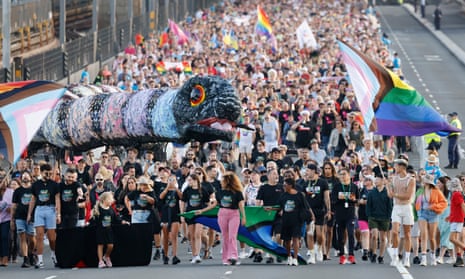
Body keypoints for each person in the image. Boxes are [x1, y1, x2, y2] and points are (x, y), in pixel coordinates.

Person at [204, 172, 245, 266]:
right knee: (225, 237)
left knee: (232, 236)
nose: (221, 182)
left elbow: (241, 205)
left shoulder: (237, 192)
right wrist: (203, 211)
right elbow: (215, 204)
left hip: (234, 214)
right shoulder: (219, 192)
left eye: (223, 180)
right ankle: (226, 258)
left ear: (228, 181)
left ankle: (233, 256)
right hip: (222, 214)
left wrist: (243, 217)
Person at [27, 163, 61, 268]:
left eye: (50, 173)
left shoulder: (54, 184)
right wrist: (29, 214)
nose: (48, 175)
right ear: (41, 172)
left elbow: (57, 198)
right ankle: (40, 260)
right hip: (39, 209)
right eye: (46, 173)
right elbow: (33, 199)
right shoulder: (36, 184)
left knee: (51, 237)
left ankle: (53, 254)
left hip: (50, 209)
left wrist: (58, 213)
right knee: (39, 236)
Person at [387, 159, 416, 268]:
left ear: (402, 167)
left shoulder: (411, 180)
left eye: (396, 166)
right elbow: (390, 195)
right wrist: (388, 186)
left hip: (407, 207)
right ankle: (395, 256)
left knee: (407, 234)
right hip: (397, 207)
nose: (394, 168)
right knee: (394, 232)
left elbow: (408, 196)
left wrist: (395, 194)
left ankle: (407, 258)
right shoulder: (394, 179)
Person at [299, 163, 330, 264]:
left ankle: (319, 248)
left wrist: (328, 210)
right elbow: (302, 198)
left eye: (308, 170)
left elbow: (326, 197)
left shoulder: (323, 182)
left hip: (320, 211)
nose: (306, 173)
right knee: (310, 233)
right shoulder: (305, 183)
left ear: (313, 171)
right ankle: (312, 255)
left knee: (320, 234)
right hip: (309, 211)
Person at [414, 174, 447, 266]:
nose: (423, 182)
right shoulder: (421, 190)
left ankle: (432, 255)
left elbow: (444, 203)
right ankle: (423, 258)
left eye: (424, 181)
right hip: (422, 213)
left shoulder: (436, 191)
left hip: (433, 214)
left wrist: (434, 206)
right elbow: (416, 201)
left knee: (432, 237)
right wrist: (417, 211)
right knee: (423, 235)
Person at [91, 192, 129, 268]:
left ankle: (106, 256)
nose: (112, 201)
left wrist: (123, 221)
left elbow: (116, 218)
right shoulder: (98, 209)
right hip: (100, 230)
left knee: (110, 245)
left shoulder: (111, 209)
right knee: (100, 245)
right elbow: (93, 220)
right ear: (105, 200)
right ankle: (100, 261)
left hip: (109, 230)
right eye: (110, 199)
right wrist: (88, 223)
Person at [279, 178, 310, 266]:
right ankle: (289, 256)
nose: (284, 187)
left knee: (295, 238)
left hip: (297, 220)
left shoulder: (299, 195)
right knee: (287, 241)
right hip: (286, 220)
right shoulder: (283, 196)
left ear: (290, 185)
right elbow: (279, 206)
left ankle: (295, 258)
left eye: (285, 185)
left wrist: (308, 217)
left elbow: (305, 207)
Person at [332, 167, 359, 265]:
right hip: (339, 213)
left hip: (350, 213)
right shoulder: (336, 187)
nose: (342, 176)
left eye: (344, 174)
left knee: (351, 233)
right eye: (341, 174)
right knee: (340, 235)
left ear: (349, 175)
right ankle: (342, 255)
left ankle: (351, 255)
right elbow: (334, 200)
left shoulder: (354, 187)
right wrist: (344, 197)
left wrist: (353, 199)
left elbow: (357, 199)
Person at [181, 173, 210, 264]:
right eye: (188, 180)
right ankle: (194, 254)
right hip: (190, 214)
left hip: (200, 214)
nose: (188, 182)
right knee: (192, 235)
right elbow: (183, 202)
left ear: (195, 180)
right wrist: (182, 213)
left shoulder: (203, 190)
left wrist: (203, 211)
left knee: (198, 234)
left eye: (190, 180)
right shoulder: (187, 190)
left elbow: (208, 203)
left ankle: (197, 255)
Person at [11, 172, 36, 267]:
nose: (25, 178)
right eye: (23, 176)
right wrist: (12, 220)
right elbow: (14, 205)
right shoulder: (17, 191)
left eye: (27, 176)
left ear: (30, 178)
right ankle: (25, 259)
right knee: (22, 237)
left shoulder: (33, 189)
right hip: (19, 217)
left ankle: (31, 254)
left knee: (32, 239)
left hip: (32, 217)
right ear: (21, 178)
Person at [366, 172, 392, 264]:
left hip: (384, 218)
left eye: (378, 179)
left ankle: (381, 255)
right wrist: (369, 215)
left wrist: (389, 217)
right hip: (373, 217)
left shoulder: (387, 193)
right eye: (375, 179)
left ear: (383, 181)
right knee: (374, 235)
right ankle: (373, 253)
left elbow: (390, 206)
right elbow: (368, 205)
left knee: (382, 238)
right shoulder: (372, 193)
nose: (376, 181)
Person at [159, 173, 182, 265]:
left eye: (173, 180)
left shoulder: (177, 191)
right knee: (165, 236)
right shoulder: (164, 189)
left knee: (174, 236)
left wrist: (176, 188)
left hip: (175, 214)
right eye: (170, 180)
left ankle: (174, 255)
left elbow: (181, 197)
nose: (171, 181)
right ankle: (165, 254)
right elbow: (160, 197)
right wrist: (167, 187)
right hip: (165, 214)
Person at [446, 178, 465, 267]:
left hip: (458, 219)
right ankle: (459, 258)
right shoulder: (455, 194)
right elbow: (456, 207)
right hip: (455, 218)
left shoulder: (456, 194)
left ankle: (462, 250)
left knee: (452, 239)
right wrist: (450, 216)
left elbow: (462, 205)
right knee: (455, 240)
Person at [0, 176, 13, 266]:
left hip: (6, 218)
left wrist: (10, 208)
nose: (3, 183)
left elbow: (14, 204)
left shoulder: (10, 192)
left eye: (5, 181)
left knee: (4, 237)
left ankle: (5, 257)